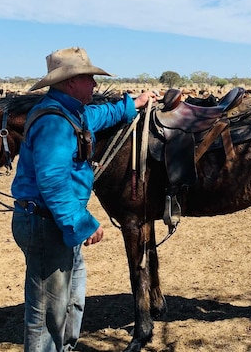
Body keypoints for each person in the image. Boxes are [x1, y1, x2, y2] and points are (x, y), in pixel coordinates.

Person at [11, 47, 157, 352]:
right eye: (89, 78)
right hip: (46, 222)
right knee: (47, 312)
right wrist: (82, 222)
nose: (94, 84)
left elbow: (103, 114)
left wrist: (135, 103)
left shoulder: (72, 111)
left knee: (71, 300)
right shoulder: (54, 122)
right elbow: (52, 182)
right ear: (70, 82)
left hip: (55, 222)